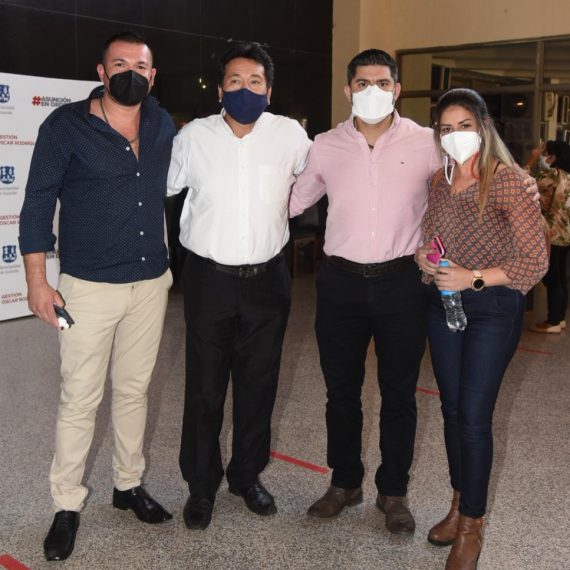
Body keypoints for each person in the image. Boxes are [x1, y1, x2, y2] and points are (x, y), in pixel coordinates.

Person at [19, 31, 176, 562]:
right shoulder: (66, 125)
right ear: (102, 72)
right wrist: (37, 281)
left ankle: (128, 485)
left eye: (141, 65)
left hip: (150, 282)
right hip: (87, 287)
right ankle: (66, 504)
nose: (132, 72)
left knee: (133, 391)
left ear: (153, 75)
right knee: (80, 398)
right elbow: (37, 202)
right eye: (120, 64)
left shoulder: (161, 123)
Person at [290, 49, 439, 534]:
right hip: (340, 283)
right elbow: (292, 200)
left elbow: (460, 191)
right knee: (341, 392)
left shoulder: (427, 143)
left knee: (399, 394)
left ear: (397, 89)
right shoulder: (325, 145)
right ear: (347, 89)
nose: (372, 91)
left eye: (382, 82)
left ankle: (393, 491)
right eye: (362, 83)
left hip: (403, 282)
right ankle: (344, 481)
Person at [167, 41, 311, 530]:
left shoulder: (290, 135)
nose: (244, 89)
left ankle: (247, 476)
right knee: (205, 388)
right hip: (209, 278)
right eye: (234, 81)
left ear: (269, 90)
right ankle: (201, 485)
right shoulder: (194, 137)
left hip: (268, 280)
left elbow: (318, 178)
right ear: (219, 90)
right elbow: (162, 184)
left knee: (259, 385)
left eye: (254, 82)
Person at [416, 88, 548, 569]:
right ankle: (458, 503)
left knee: (473, 416)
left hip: (493, 306)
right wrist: (424, 256)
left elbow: (534, 260)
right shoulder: (439, 180)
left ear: (484, 127)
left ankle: (472, 524)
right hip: (443, 304)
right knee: (452, 410)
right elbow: (429, 235)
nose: (455, 136)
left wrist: (471, 277)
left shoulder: (508, 181)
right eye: (446, 129)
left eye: (464, 126)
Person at [526, 140, 570, 333]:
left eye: (545, 153)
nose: (543, 157)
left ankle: (552, 322)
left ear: (553, 157)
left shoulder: (553, 175)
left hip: (552, 234)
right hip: (566, 233)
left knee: (552, 278)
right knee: (561, 277)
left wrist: (532, 159)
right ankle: (559, 318)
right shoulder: (567, 176)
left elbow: (523, 181)